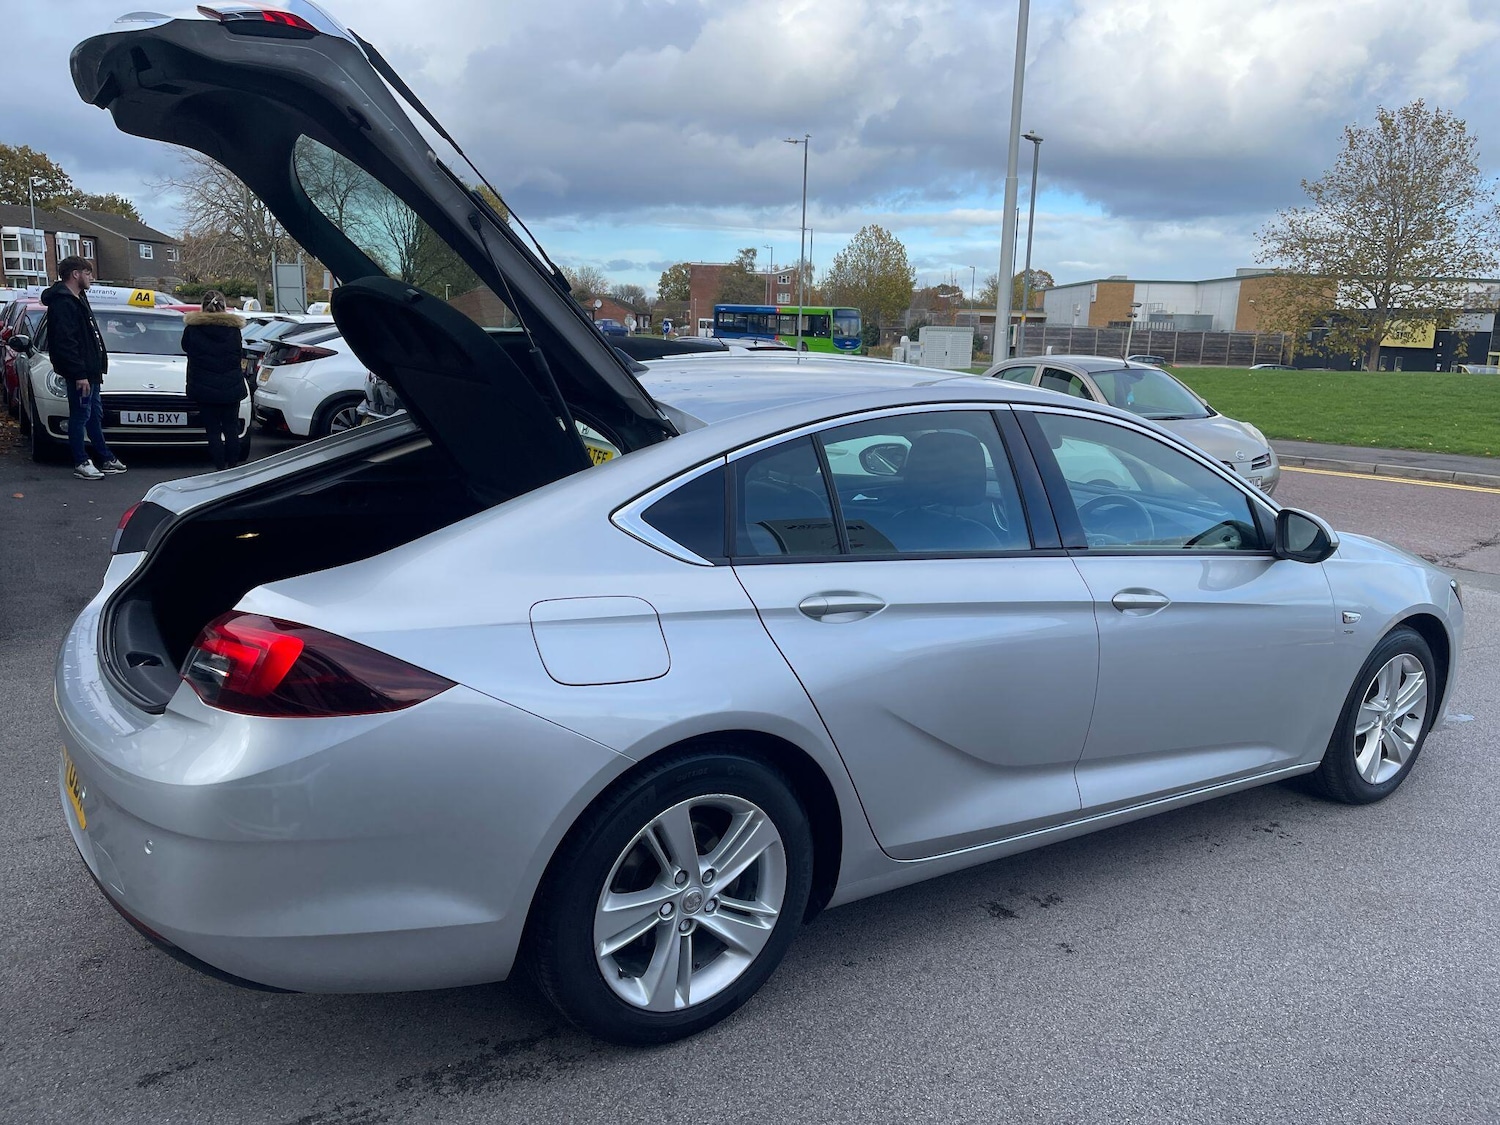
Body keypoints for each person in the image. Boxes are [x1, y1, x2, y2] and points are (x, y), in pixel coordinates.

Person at [41, 255, 124, 480]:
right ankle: (81, 461)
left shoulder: (79, 297)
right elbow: (66, 341)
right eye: (87, 273)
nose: (91, 278)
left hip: (91, 369)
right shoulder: (63, 302)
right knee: (80, 415)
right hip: (81, 372)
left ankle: (104, 456)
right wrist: (79, 373)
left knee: (94, 414)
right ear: (75, 274)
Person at [181, 290, 247, 471]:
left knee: (213, 431)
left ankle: (219, 466)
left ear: (203, 306)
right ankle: (233, 464)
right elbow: (237, 354)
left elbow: (186, 348)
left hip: (204, 387)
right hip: (231, 387)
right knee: (231, 428)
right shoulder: (233, 331)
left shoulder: (193, 330)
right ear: (224, 307)